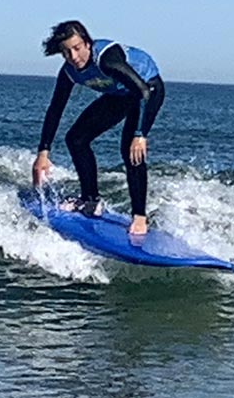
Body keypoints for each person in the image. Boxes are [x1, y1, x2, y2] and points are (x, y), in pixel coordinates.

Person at [32, 20, 165, 236]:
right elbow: (55, 109)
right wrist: (43, 153)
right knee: (76, 139)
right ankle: (91, 200)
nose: (73, 57)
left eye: (76, 48)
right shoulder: (69, 71)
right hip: (120, 95)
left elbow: (141, 91)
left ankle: (140, 217)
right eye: (66, 52)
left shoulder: (107, 60)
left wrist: (140, 135)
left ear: (87, 43)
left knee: (130, 152)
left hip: (147, 89)